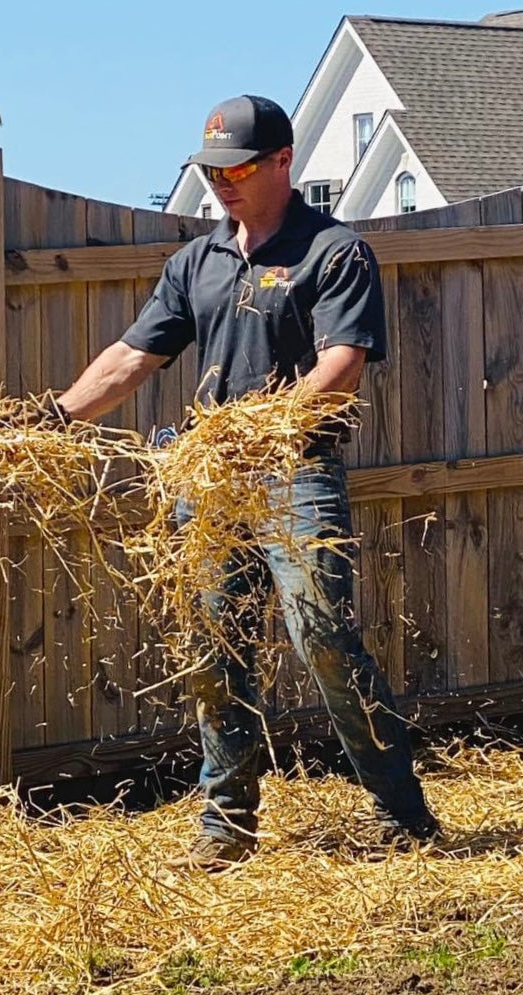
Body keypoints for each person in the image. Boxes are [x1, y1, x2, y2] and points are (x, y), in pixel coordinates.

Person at [52, 95, 439, 870]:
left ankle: (400, 815)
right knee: (212, 647)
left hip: (294, 476)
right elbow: (135, 356)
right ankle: (226, 825)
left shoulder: (332, 251)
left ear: (282, 162)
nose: (222, 182)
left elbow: (340, 366)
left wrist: (252, 435)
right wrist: (56, 415)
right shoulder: (198, 261)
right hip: (209, 486)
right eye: (212, 171)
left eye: (238, 168)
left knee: (322, 638)